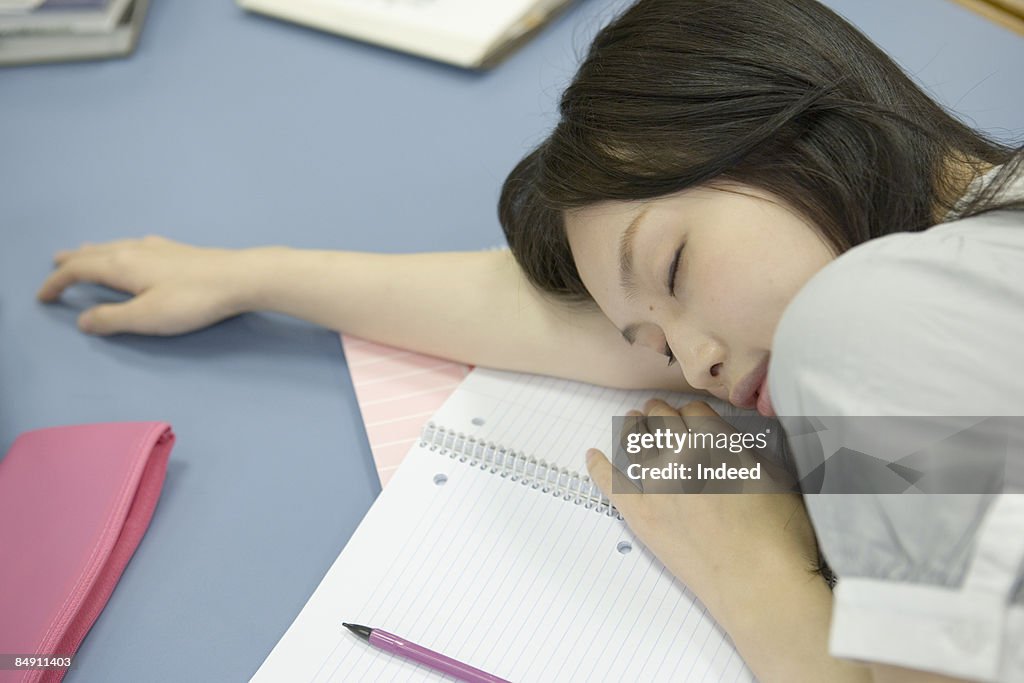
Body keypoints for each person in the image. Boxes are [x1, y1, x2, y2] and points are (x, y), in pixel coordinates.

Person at [35, 1, 1023, 681]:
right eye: (651, 334)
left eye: (674, 269)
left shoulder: (865, 315)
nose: (689, 365)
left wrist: (752, 564)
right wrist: (253, 274)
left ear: (802, 129)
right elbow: (572, 312)